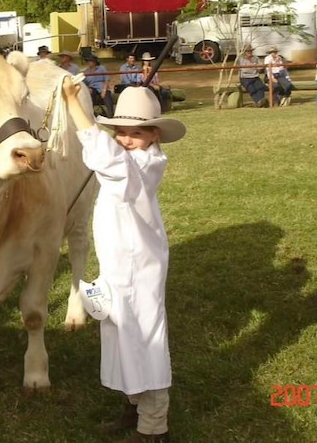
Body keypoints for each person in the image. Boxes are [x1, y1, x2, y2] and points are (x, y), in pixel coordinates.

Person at [61, 82, 185, 443]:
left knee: (144, 339)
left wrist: (77, 109)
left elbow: (110, 162)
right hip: (119, 268)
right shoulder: (129, 160)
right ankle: (133, 405)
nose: (126, 140)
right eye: (121, 133)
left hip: (138, 270)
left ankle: (154, 426)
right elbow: (109, 161)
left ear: (154, 135)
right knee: (119, 333)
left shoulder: (145, 166)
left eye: (136, 133)